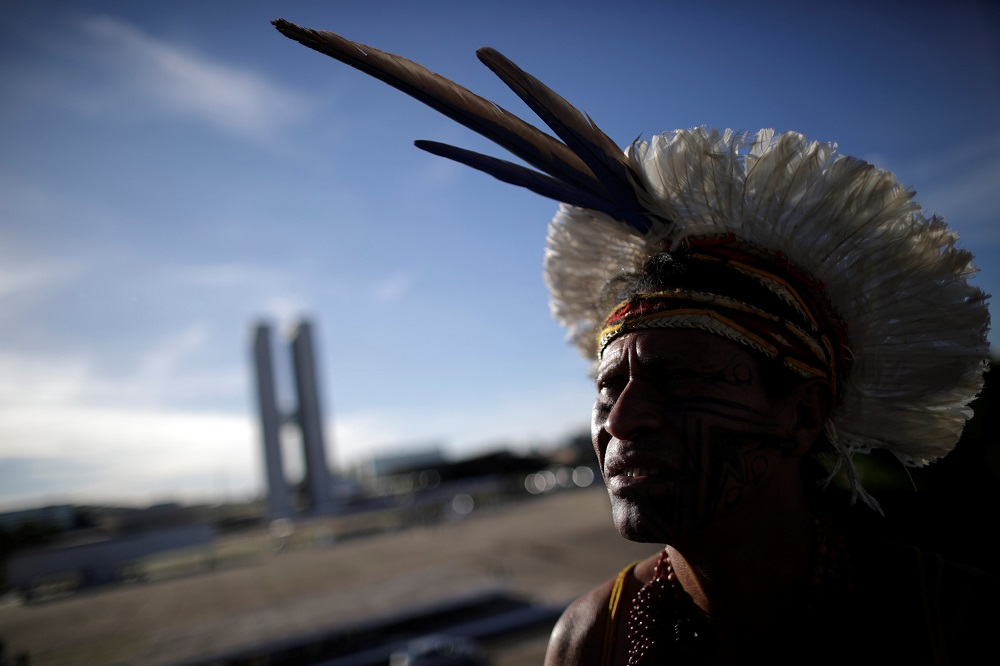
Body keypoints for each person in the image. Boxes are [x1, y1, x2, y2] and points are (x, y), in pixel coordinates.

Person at [273, 20, 995, 665]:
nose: (620, 422)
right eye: (608, 387)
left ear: (802, 415)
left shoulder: (947, 616)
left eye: (680, 380)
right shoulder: (591, 639)